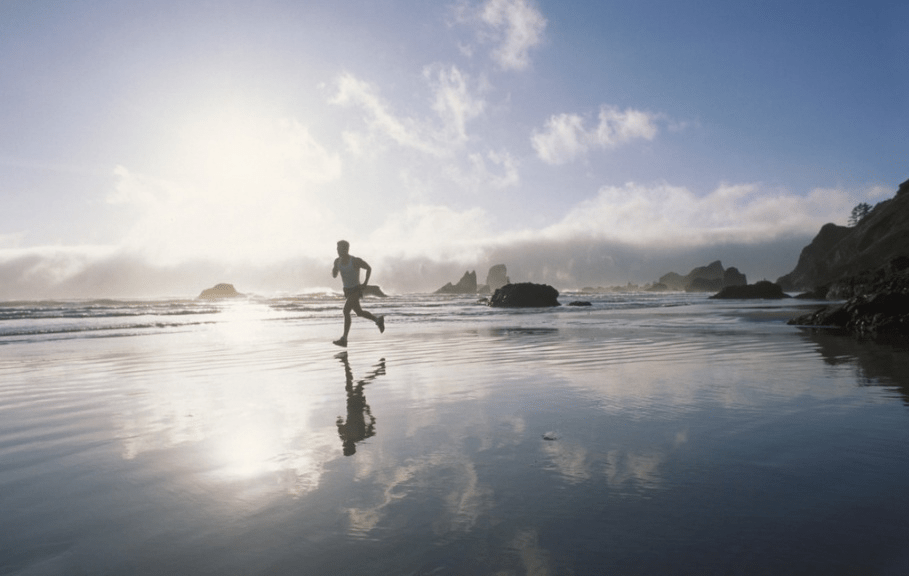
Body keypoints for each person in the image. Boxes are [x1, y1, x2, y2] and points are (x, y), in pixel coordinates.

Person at [331, 240, 384, 347]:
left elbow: (368, 268)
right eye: (337, 248)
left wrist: (365, 283)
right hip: (347, 291)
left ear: (345, 249)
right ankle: (378, 320)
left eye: (339, 248)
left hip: (356, 290)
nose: (337, 250)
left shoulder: (354, 261)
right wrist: (335, 268)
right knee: (359, 312)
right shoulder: (337, 261)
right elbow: (334, 275)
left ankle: (344, 339)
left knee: (346, 311)